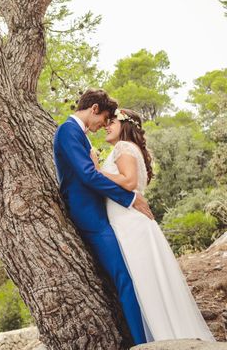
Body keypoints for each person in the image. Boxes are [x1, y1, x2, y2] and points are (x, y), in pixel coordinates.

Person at [91, 107, 216, 342]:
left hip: (131, 226)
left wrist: (96, 171)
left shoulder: (123, 147)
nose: (107, 126)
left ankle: (163, 339)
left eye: (112, 122)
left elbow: (128, 182)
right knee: (149, 283)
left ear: (125, 125)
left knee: (145, 283)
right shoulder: (126, 149)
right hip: (129, 223)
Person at [53, 89, 151, 345]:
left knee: (124, 278)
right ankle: (142, 343)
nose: (102, 126)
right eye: (104, 118)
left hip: (97, 214)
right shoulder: (68, 131)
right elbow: (88, 175)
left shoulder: (76, 134)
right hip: (90, 217)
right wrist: (129, 198)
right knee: (124, 279)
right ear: (94, 109)